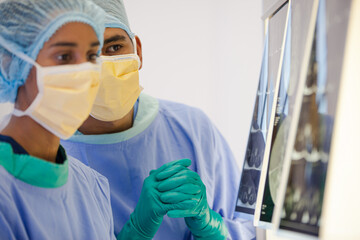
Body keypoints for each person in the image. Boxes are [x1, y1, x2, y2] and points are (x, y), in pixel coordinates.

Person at [61, 0, 255, 239]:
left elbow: (249, 229)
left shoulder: (192, 128)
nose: (105, 66)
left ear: (138, 51)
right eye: (88, 56)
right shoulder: (52, 154)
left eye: (114, 48)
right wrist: (137, 232)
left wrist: (210, 227)